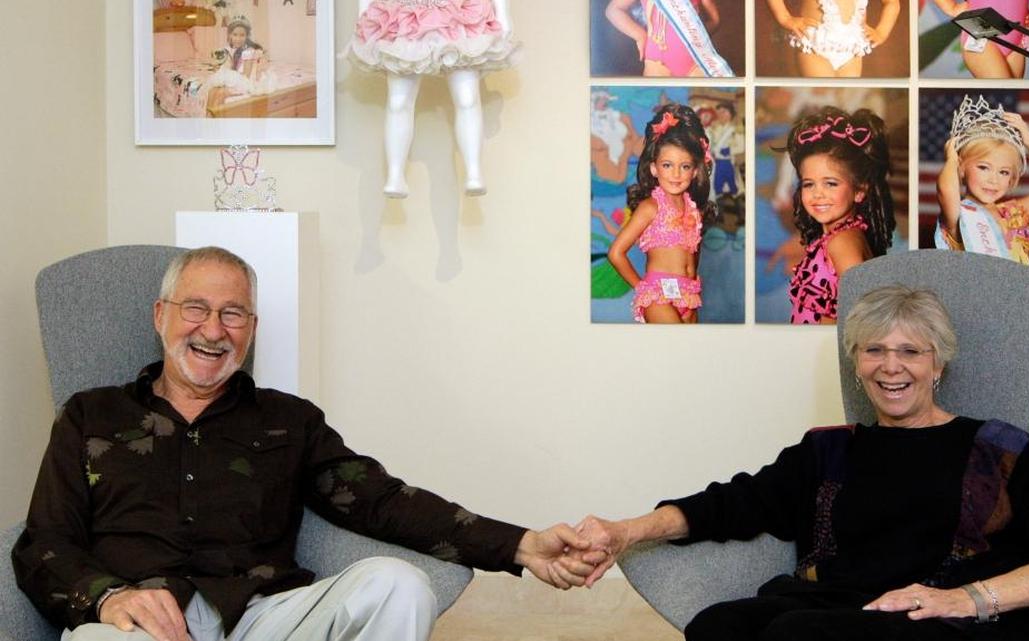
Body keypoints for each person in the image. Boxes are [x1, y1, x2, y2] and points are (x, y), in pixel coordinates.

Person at [13, 247, 602, 641]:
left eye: (233, 313)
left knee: (398, 583)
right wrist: (107, 598)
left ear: (253, 329)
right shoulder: (91, 414)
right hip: (138, 621)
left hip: (260, 617)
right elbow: (45, 540)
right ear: (161, 316)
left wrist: (519, 546)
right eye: (197, 308)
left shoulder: (287, 421)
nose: (213, 330)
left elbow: (384, 500)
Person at [561, 285, 1029, 641]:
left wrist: (964, 600)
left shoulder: (1003, 451)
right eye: (873, 350)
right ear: (856, 361)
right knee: (720, 625)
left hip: (946, 618)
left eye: (910, 352)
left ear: (938, 363)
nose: (890, 367)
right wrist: (625, 530)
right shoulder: (829, 449)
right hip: (845, 606)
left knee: (798, 632)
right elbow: (733, 503)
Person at [345, 0, 518, 198]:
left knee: (467, 97)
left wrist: (503, 11)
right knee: (398, 102)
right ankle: (395, 175)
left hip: (458, 11)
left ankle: (474, 171)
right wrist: (364, 11)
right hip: (404, 12)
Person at [781, 106, 895, 324]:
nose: (818, 194)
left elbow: (858, 317)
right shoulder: (837, 238)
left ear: (859, 191)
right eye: (808, 184)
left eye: (831, 183)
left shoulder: (842, 242)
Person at [606, 104, 716, 324]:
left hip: (689, 295)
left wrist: (693, 283)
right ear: (654, 168)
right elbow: (615, 253)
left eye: (684, 167)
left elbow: (693, 253)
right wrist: (643, 288)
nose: (676, 174)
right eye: (667, 165)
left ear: (695, 170)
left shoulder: (694, 210)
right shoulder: (651, 207)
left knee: (689, 356)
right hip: (658, 297)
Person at [935, 95, 1029, 266]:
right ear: (961, 169)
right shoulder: (958, 214)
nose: (993, 180)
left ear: (1012, 178)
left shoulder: (1011, 214)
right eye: (983, 168)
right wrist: (952, 159)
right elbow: (946, 190)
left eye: (1004, 172)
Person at [766, 0, 901, 77]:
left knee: (845, 102)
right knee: (823, 99)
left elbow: (892, 3)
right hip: (815, 47)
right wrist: (784, 18)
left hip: (851, 49)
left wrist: (882, 32)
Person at [930, 0, 1029, 79]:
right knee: (1004, 97)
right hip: (982, 35)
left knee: (1007, 109)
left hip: (1016, 38)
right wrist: (951, 7)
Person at [605, 0, 733, 77]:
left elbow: (715, 20)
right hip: (657, 63)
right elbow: (613, 10)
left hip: (695, 64)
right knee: (659, 114)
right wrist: (640, 36)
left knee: (692, 114)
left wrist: (699, 39)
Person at [205, 17, 274, 112]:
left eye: (242, 35)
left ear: (247, 36)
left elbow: (246, 77)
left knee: (220, 93)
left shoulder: (248, 51)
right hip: (241, 79)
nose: (238, 39)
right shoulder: (233, 50)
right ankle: (210, 120)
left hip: (250, 82)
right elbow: (233, 68)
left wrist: (230, 81)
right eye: (235, 35)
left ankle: (215, 121)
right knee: (212, 91)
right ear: (230, 35)